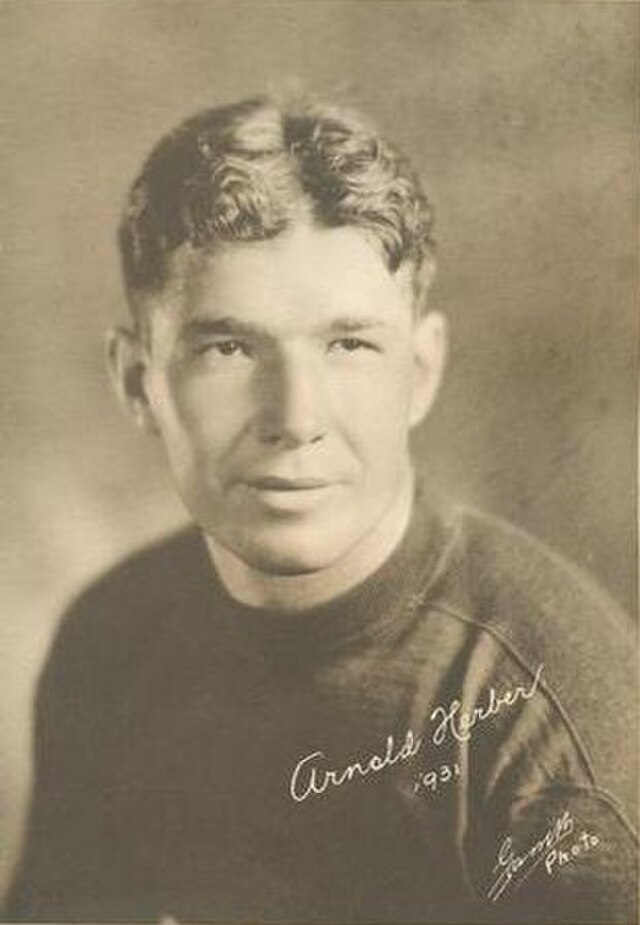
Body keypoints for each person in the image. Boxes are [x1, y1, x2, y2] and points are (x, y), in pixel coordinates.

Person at [4, 94, 637, 923]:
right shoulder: (110, 641)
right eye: (228, 347)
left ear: (420, 371)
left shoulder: (548, 727)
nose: (296, 419)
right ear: (137, 381)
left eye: (349, 345)